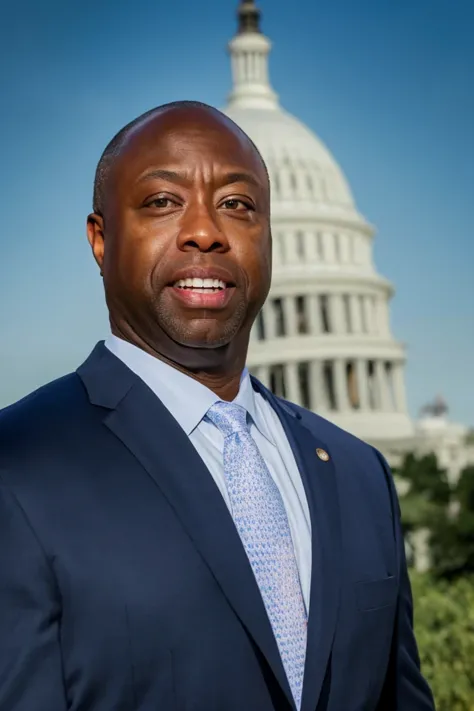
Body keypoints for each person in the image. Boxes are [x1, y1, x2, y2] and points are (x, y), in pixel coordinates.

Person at [0, 101, 435, 711]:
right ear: (101, 239)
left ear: (268, 239)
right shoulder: (18, 467)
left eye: (236, 205)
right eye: (162, 202)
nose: (205, 230)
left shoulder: (359, 474)